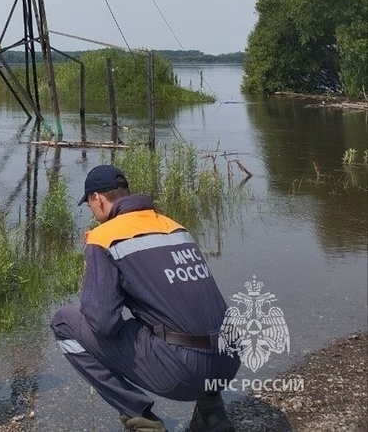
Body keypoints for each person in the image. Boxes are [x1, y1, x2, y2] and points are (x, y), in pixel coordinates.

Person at [51, 165, 240, 432]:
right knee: (188, 316)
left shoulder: (104, 236)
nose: (92, 214)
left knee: (64, 324)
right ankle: (212, 411)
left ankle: (140, 417)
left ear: (98, 199)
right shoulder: (175, 227)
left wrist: (92, 275)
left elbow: (102, 322)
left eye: (90, 206)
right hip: (228, 360)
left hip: (183, 373)